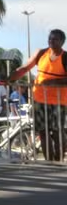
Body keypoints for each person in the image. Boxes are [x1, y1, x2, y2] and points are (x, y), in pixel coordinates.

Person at [8, 29, 67, 162]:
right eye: (50, 38)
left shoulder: (65, 57)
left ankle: (58, 160)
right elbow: (24, 68)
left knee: (57, 131)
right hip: (39, 98)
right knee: (42, 131)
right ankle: (49, 161)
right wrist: (9, 78)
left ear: (62, 42)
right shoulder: (41, 53)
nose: (51, 41)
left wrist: (53, 81)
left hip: (59, 100)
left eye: (55, 39)